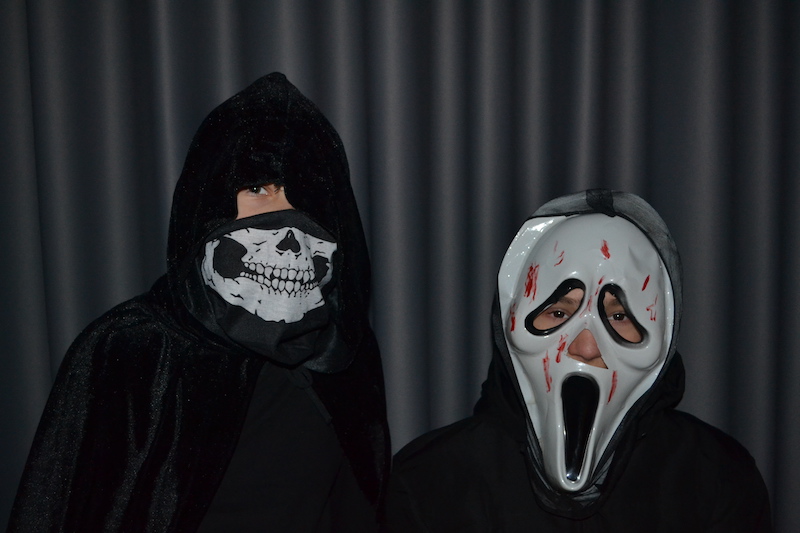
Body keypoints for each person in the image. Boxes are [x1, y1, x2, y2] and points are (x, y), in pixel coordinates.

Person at [8, 72, 390, 532]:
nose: (285, 220)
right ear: (208, 200)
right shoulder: (133, 351)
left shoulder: (341, 351)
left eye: (303, 195)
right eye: (258, 189)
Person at [384, 189, 771, 532]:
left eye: (618, 316)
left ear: (662, 338)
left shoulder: (716, 479)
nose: (585, 347)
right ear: (510, 323)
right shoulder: (430, 484)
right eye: (558, 312)